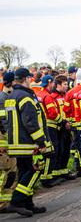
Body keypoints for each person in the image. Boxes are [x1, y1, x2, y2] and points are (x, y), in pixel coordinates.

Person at [6, 68, 53, 217]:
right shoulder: (26, 97)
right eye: (30, 78)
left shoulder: (12, 96)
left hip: (15, 143)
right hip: (27, 144)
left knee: (25, 171)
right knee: (34, 170)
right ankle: (16, 201)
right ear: (26, 79)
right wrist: (41, 142)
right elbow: (31, 123)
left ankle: (28, 203)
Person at [36, 75, 63, 187]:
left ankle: (43, 175)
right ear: (49, 82)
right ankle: (47, 178)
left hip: (39, 127)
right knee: (52, 152)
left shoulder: (37, 95)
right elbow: (52, 113)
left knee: (43, 153)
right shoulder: (47, 96)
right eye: (52, 83)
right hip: (50, 127)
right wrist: (62, 121)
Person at [0, 72, 16, 211]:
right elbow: (5, 122)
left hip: (7, 141)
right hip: (4, 142)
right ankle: (3, 203)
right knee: (6, 171)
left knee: (11, 171)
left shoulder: (7, 96)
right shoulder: (3, 99)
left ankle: (7, 202)